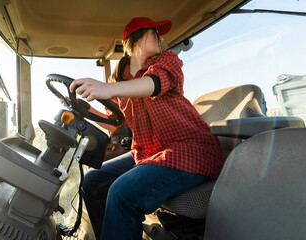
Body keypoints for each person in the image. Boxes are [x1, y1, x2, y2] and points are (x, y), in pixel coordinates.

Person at [70, 17, 223, 240]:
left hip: (189, 148)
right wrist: (83, 112)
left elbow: (154, 84)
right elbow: (116, 121)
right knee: (93, 182)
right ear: (137, 39)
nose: (161, 38)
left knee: (122, 193)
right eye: (155, 33)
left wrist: (107, 88)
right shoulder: (120, 78)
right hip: (150, 153)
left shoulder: (167, 61)